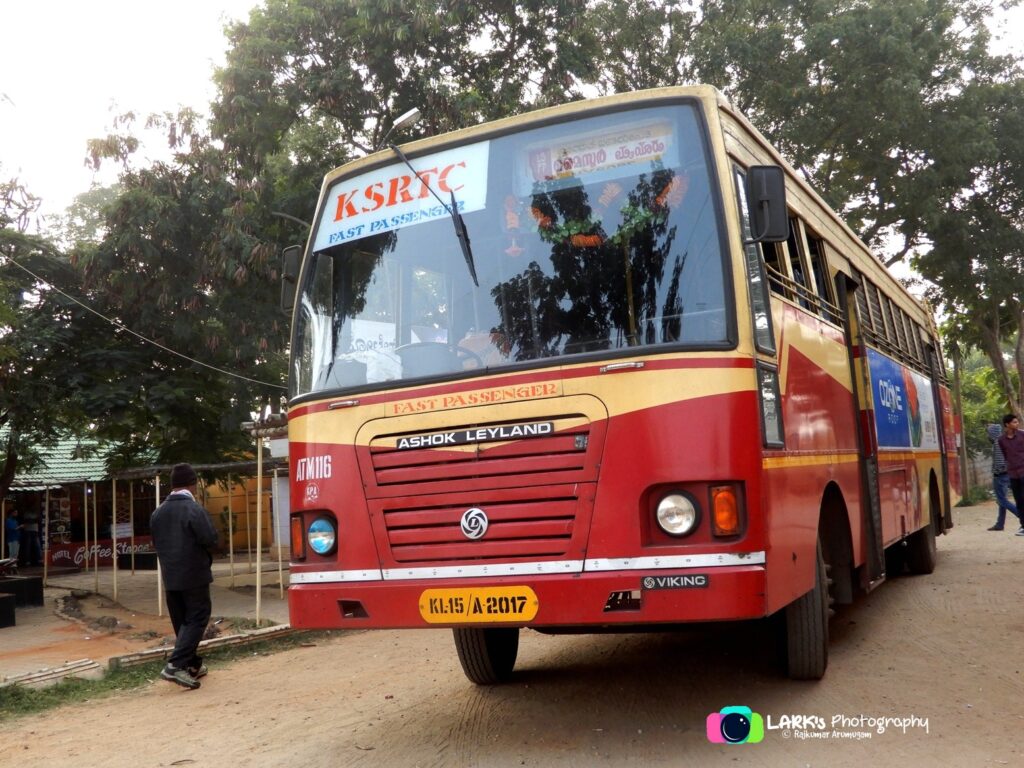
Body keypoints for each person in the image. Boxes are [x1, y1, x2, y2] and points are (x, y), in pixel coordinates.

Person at [150, 463, 218, 689]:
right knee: (198, 618)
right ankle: (174, 666)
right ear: (193, 483)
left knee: (183, 623)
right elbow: (210, 539)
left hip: (170, 577)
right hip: (194, 575)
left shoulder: (157, 513)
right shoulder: (194, 509)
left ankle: (193, 665)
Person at [988, 422, 1022, 532]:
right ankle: (1000, 524)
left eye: (989, 432)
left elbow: (1000, 461)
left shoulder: (997, 443)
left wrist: (997, 472)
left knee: (1002, 500)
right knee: (1002, 500)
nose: (988, 435)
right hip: (1008, 474)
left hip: (1000, 475)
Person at [997, 414, 1024, 537]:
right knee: (1018, 500)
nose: (1016, 424)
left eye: (1017, 422)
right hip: (1013, 474)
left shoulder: (1022, 435)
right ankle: (1023, 525)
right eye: (1014, 422)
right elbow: (1005, 455)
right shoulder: (1001, 440)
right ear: (1007, 424)